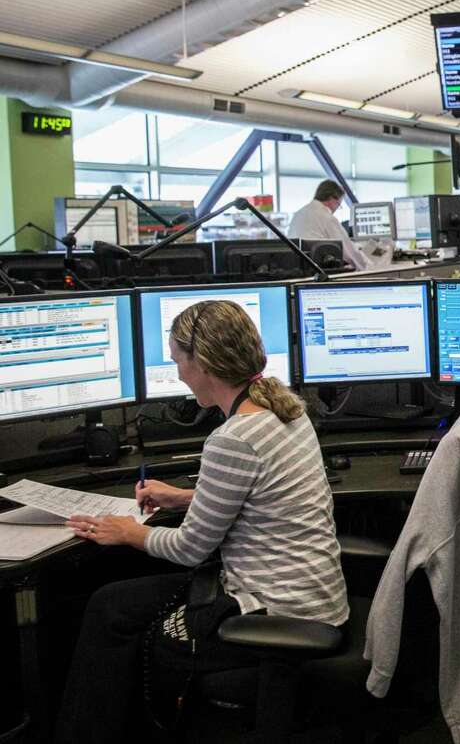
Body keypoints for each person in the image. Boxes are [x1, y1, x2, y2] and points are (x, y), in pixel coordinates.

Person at [56, 300, 348, 742]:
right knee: (111, 603)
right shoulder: (285, 408)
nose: (177, 374)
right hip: (315, 594)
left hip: (274, 607)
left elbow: (190, 549)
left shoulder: (233, 439)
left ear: (205, 363)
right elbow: (266, 496)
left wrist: (130, 533)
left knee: (116, 619)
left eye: (178, 361)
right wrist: (185, 496)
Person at [287, 179, 368, 270]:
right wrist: (369, 267)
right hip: (319, 269)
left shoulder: (298, 213)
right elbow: (349, 252)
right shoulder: (326, 217)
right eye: (338, 204)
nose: (337, 208)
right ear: (332, 199)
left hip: (297, 268)